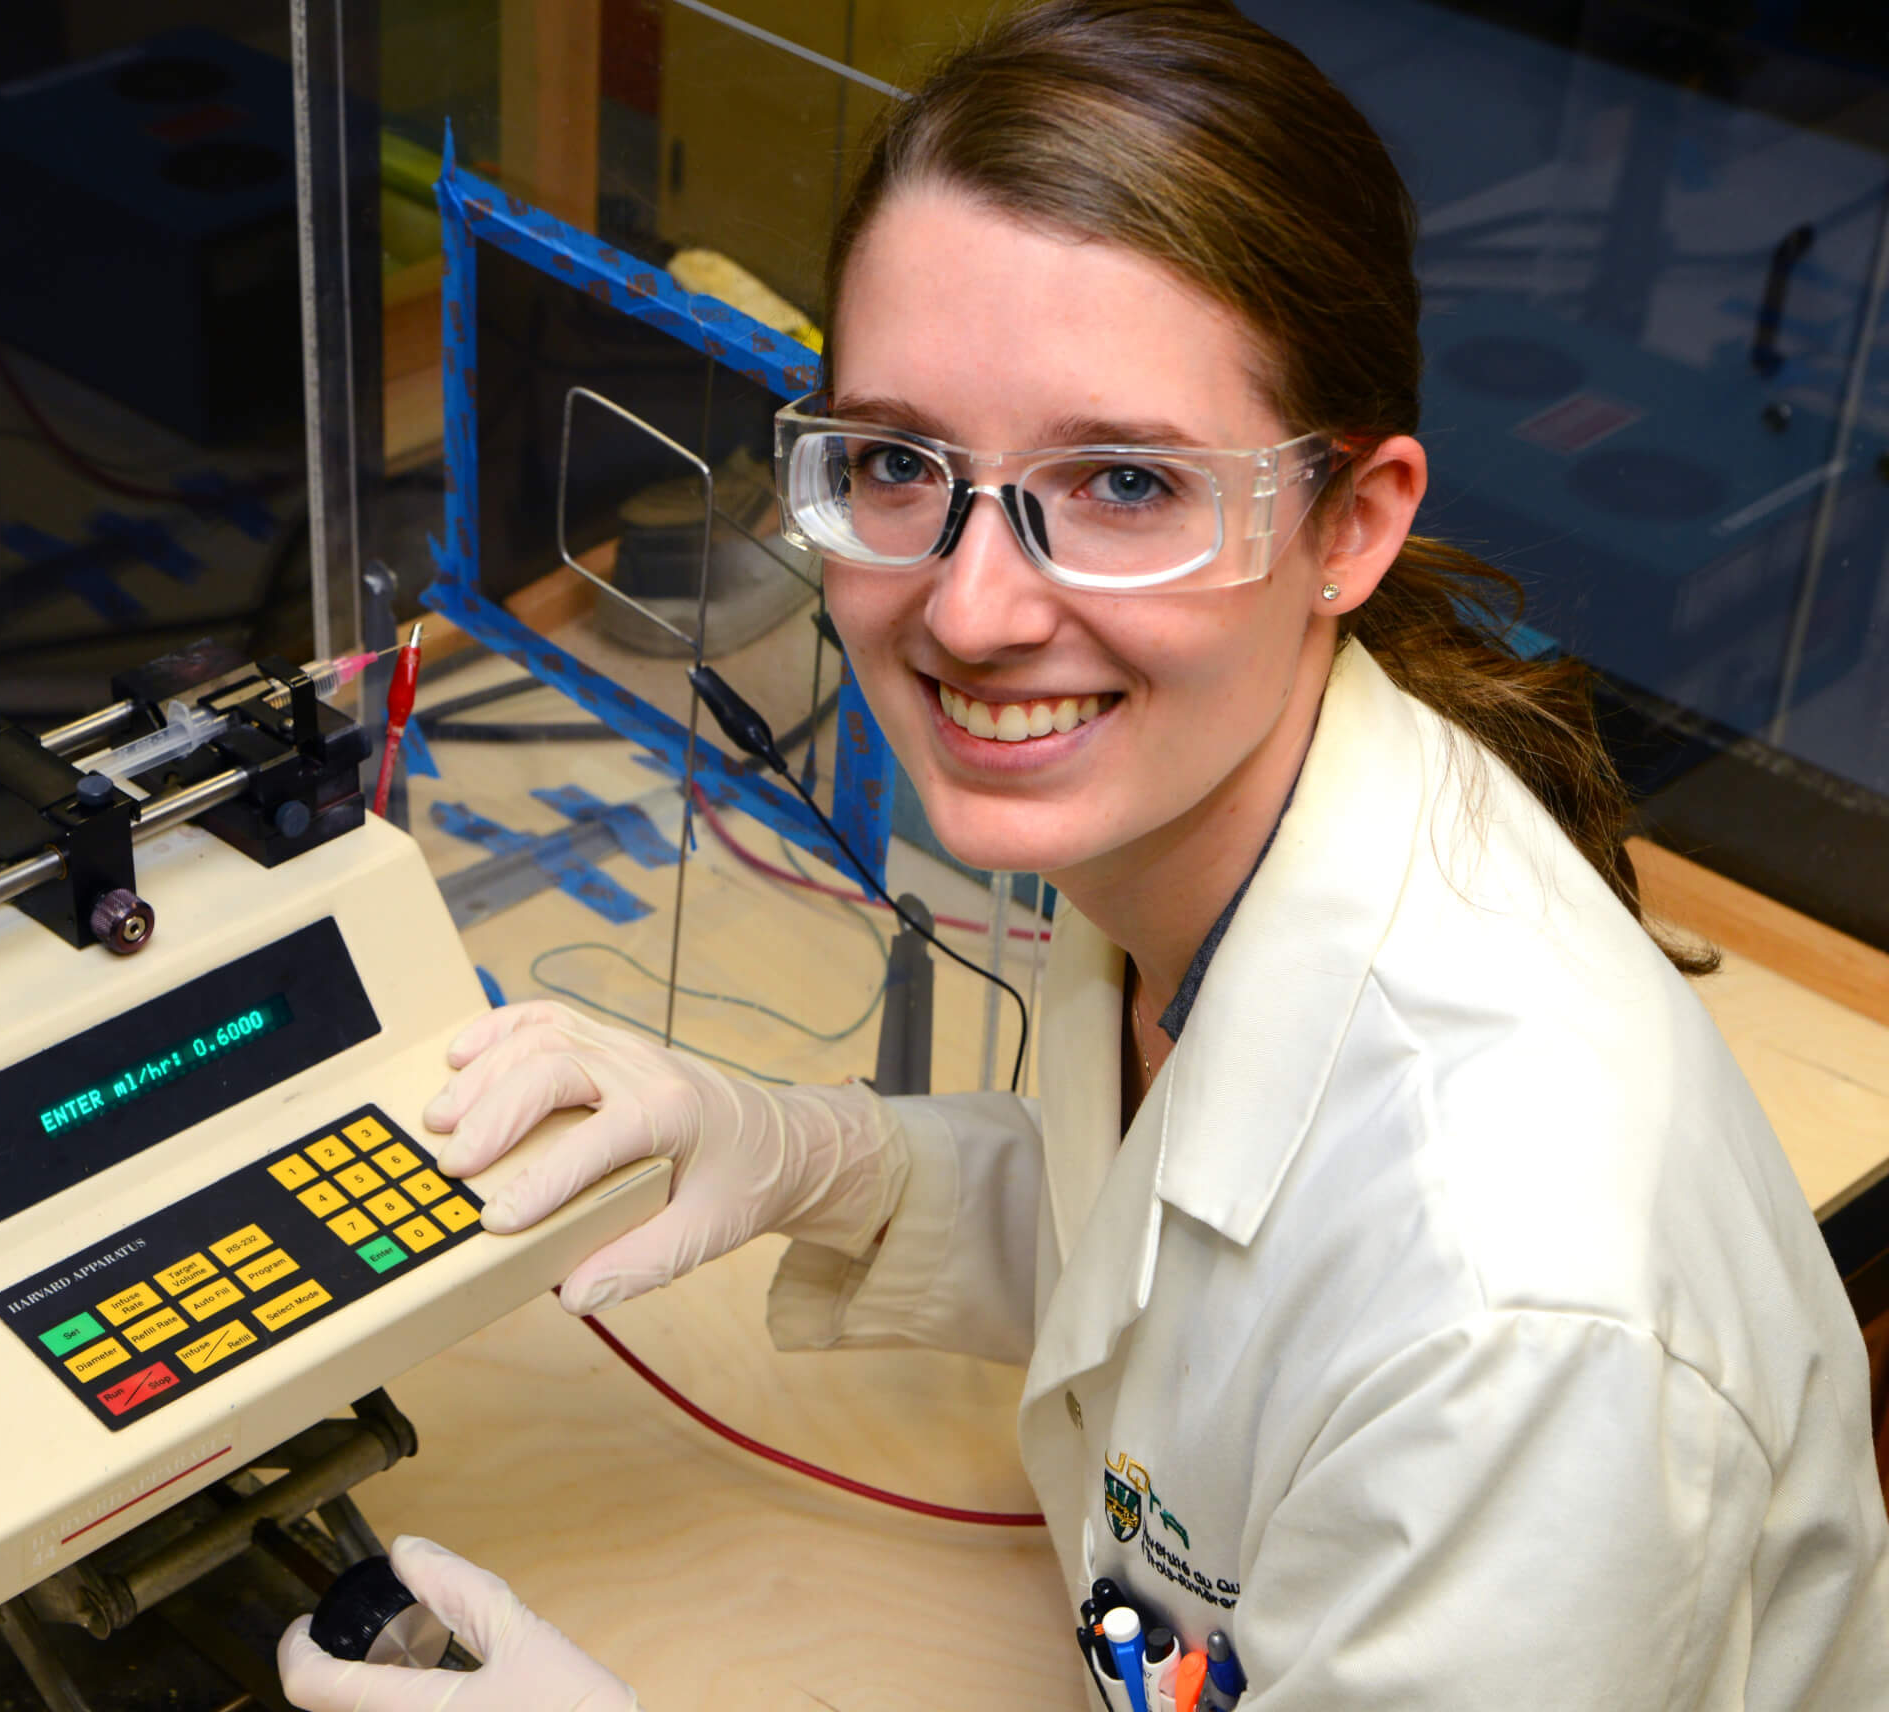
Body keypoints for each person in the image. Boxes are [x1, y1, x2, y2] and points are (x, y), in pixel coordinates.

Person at [277, 2, 1889, 1706]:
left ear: (1348, 521)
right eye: (899, 464)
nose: (971, 610)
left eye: (1123, 481)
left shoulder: (1529, 1321)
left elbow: (1342, 1279)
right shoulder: (1201, 831)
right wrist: (829, 1159)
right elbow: (1190, 1241)